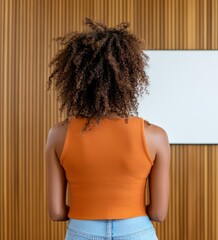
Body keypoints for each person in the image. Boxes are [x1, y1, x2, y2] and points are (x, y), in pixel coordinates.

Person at [45, 19, 170, 240]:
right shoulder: (156, 137)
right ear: (131, 79)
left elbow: (56, 212)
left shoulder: (58, 134)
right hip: (137, 231)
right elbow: (159, 213)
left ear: (77, 80)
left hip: (81, 230)